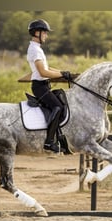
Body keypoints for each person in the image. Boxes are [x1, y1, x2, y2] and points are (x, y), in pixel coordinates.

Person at [27, 19, 72, 153]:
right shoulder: (35, 50)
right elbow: (43, 72)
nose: (46, 35)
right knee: (57, 107)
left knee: (61, 103)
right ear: (37, 33)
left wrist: (61, 73)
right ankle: (49, 141)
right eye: (45, 33)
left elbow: (47, 68)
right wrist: (61, 74)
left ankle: (61, 138)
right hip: (40, 87)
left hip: (44, 85)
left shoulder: (37, 49)